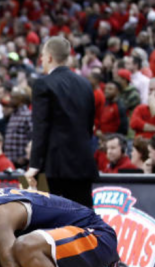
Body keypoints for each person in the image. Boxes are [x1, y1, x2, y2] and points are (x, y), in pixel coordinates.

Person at [25, 37, 97, 208]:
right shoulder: (85, 83)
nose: (41, 60)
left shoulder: (42, 84)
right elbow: (89, 126)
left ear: (49, 57)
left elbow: (40, 127)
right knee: (84, 220)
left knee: (46, 220)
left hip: (52, 167)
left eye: (42, 55)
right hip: (83, 163)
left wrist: (34, 165)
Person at [3, 87, 32, 168]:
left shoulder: (28, 115)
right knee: (12, 181)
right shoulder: (13, 115)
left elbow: (33, 137)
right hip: (10, 160)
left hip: (21, 162)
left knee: (25, 181)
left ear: (21, 100)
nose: (10, 100)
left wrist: (25, 157)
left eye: (13, 98)